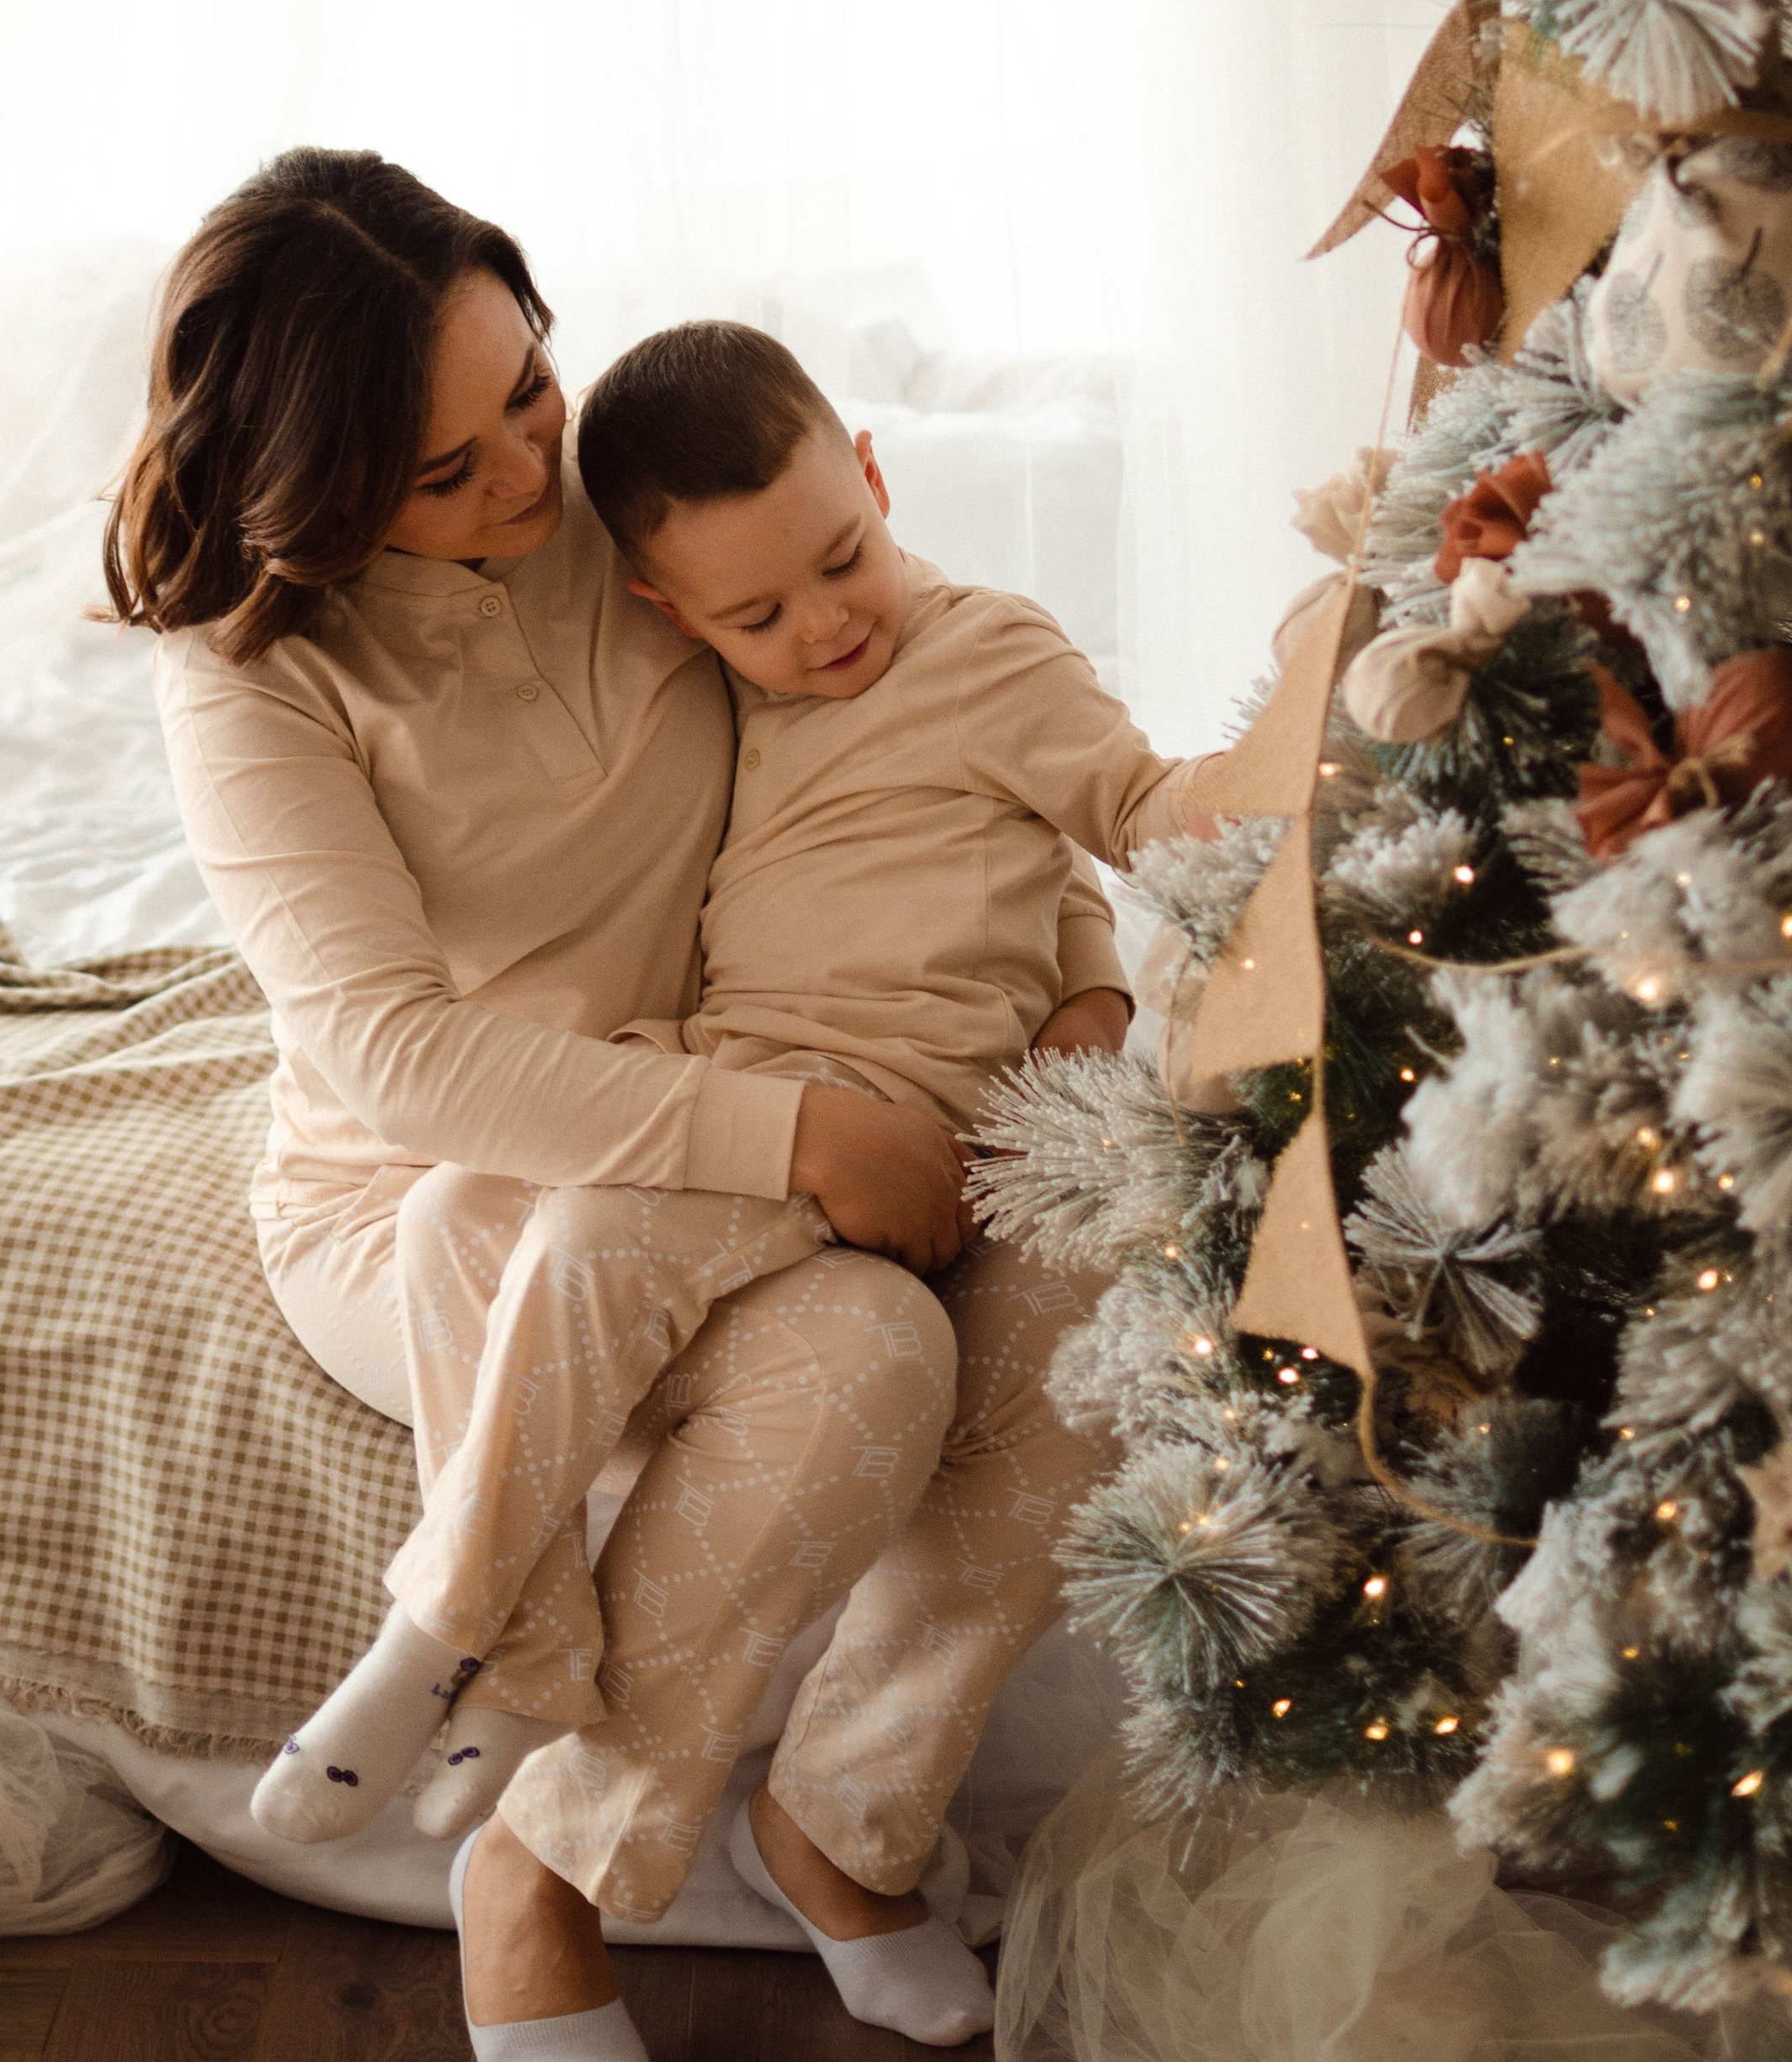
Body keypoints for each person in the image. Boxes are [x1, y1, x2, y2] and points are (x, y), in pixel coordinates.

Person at [109, 150, 1130, 2062]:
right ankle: (537, 1873)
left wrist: (1082, 963)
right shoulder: (250, 682)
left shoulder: (621, 509)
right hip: (448, 1183)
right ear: (319, 497)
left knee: (1085, 1288)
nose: (522, 474)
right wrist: (804, 1135)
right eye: (444, 470)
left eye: (527, 389)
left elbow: (916, 712)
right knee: (866, 1364)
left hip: (757, 1087)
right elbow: (397, 1060)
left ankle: (842, 1816)